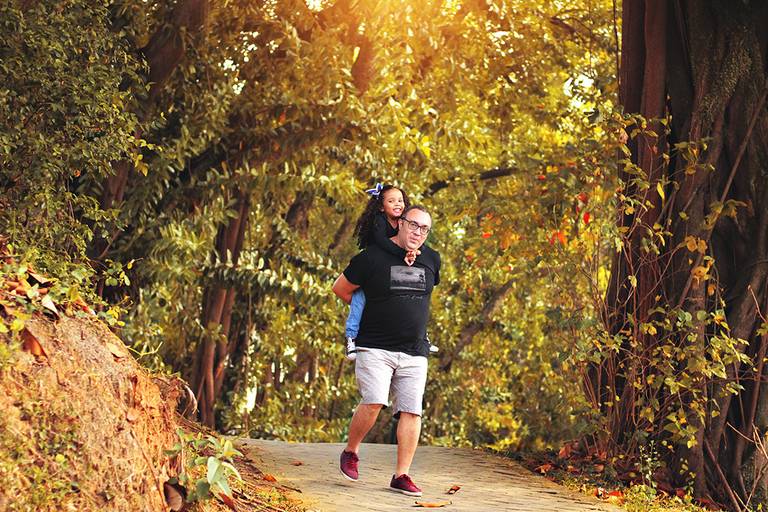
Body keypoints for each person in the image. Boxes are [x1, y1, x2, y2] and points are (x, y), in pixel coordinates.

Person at [332, 205, 440, 497]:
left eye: (424, 229)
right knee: (375, 401)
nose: (418, 232)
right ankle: (351, 451)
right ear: (400, 223)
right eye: (414, 225)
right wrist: (368, 316)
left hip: (415, 349)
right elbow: (341, 288)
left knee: (412, 411)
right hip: (374, 346)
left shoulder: (431, 259)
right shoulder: (371, 258)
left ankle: (401, 475)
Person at [345, 184, 437, 361]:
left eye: (401, 200)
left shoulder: (406, 222)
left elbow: (414, 240)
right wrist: (377, 306)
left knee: (413, 299)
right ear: (381, 206)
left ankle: (422, 336)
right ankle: (352, 336)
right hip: (373, 273)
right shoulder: (380, 221)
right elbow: (385, 243)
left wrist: (413, 252)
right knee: (359, 298)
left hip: (394, 268)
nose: (397, 204)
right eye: (391, 201)